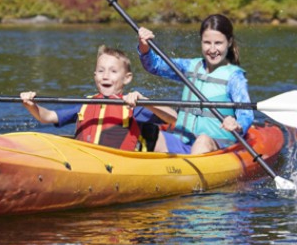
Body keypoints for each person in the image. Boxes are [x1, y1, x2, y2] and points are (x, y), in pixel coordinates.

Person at [133, 14, 254, 155]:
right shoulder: (191, 66)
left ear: (229, 42)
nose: (212, 49)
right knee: (148, 133)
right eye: (207, 42)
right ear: (201, 41)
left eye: (218, 43)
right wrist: (144, 47)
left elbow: (246, 113)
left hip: (215, 145)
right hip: (182, 140)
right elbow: (155, 66)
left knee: (202, 140)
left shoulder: (234, 77)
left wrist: (237, 125)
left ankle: (189, 173)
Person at [20, 45, 177, 152]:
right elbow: (47, 117)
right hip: (86, 161)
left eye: (113, 71)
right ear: (95, 76)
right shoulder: (84, 105)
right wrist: (30, 105)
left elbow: (172, 118)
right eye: (101, 71)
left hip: (118, 165)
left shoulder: (133, 106)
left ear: (127, 78)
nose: (106, 76)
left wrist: (145, 101)